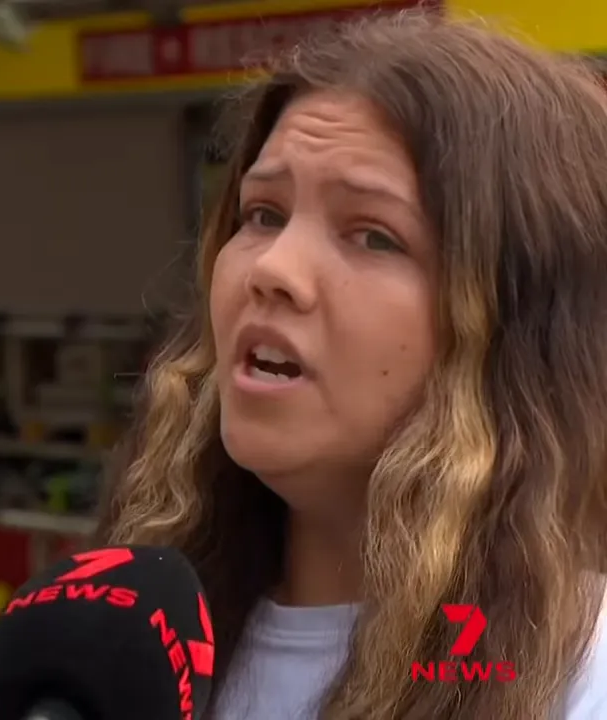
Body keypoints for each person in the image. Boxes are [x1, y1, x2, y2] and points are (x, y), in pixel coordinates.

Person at [96, 13, 607, 720]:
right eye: (263, 215)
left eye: (372, 235)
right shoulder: (118, 650)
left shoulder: (580, 684)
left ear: (517, 330)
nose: (272, 269)